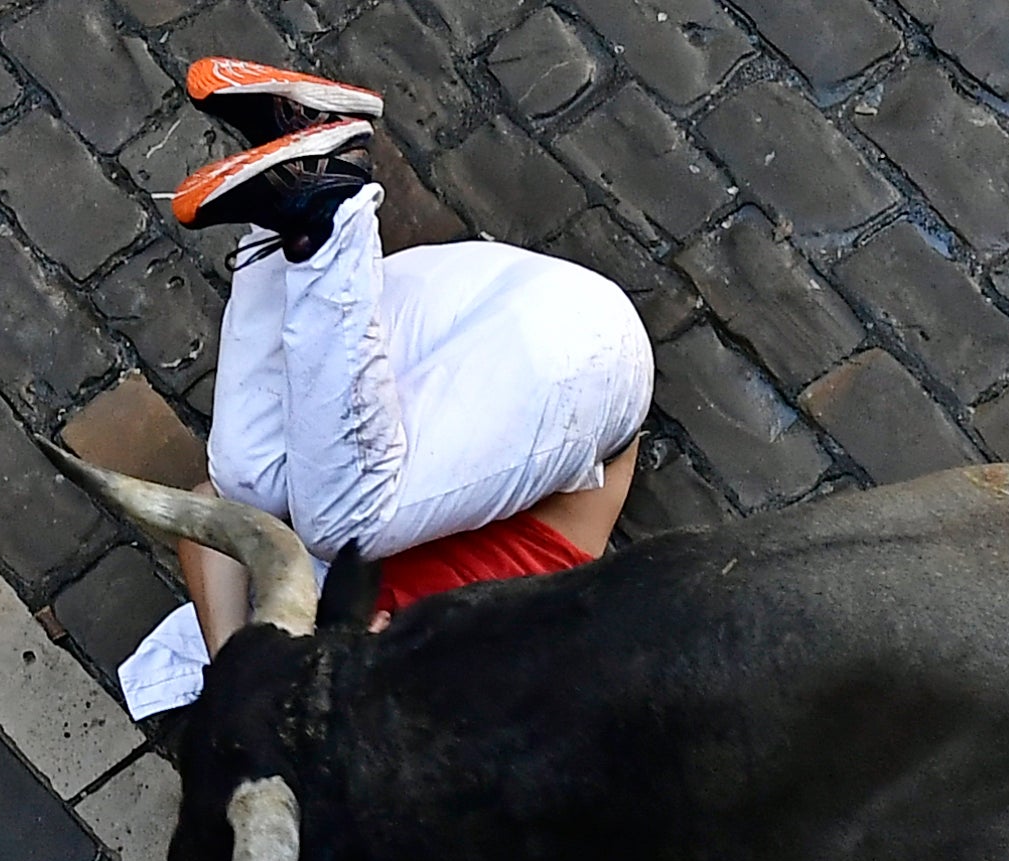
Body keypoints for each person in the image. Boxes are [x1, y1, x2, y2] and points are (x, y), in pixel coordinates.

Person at [117, 58, 654, 720]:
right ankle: (326, 204)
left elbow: (209, 517)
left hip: (451, 315)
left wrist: (237, 672)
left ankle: (298, 165)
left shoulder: (299, 582)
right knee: (337, 525)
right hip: (585, 357)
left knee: (246, 480)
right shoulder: (456, 702)